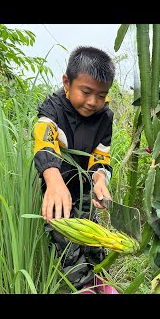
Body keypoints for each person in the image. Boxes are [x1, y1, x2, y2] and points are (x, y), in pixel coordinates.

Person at [33, 46, 115, 292]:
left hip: (86, 189)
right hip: (57, 189)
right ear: (67, 82)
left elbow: (101, 155)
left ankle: (102, 281)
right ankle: (82, 286)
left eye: (101, 95)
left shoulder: (105, 117)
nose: (93, 102)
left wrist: (100, 179)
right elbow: (44, 142)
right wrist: (54, 181)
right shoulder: (52, 109)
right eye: (86, 92)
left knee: (93, 238)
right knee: (67, 245)